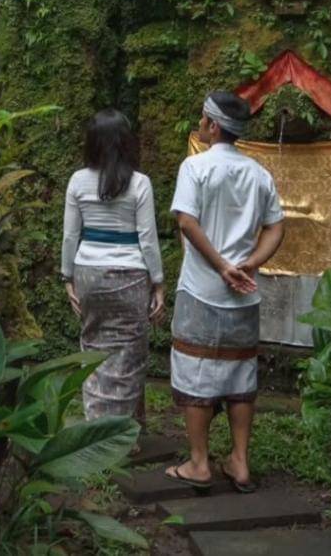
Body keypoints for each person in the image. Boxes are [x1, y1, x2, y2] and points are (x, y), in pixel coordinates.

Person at [165, 91, 285, 494]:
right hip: (243, 295)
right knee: (239, 374)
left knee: (196, 373)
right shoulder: (259, 174)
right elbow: (276, 228)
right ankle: (240, 462)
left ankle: (199, 463)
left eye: (203, 118)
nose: (200, 124)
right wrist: (250, 264)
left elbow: (186, 221)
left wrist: (221, 266)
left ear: (213, 126)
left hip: (201, 290)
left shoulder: (195, 166)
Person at [61, 109, 165, 426]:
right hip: (131, 276)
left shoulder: (78, 181)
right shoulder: (140, 184)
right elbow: (147, 239)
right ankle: (123, 432)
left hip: (88, 273)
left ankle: (97, 427)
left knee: (93, 345)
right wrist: (158, 282)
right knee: (130, 352)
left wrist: (67, 277)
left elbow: (70, 235)